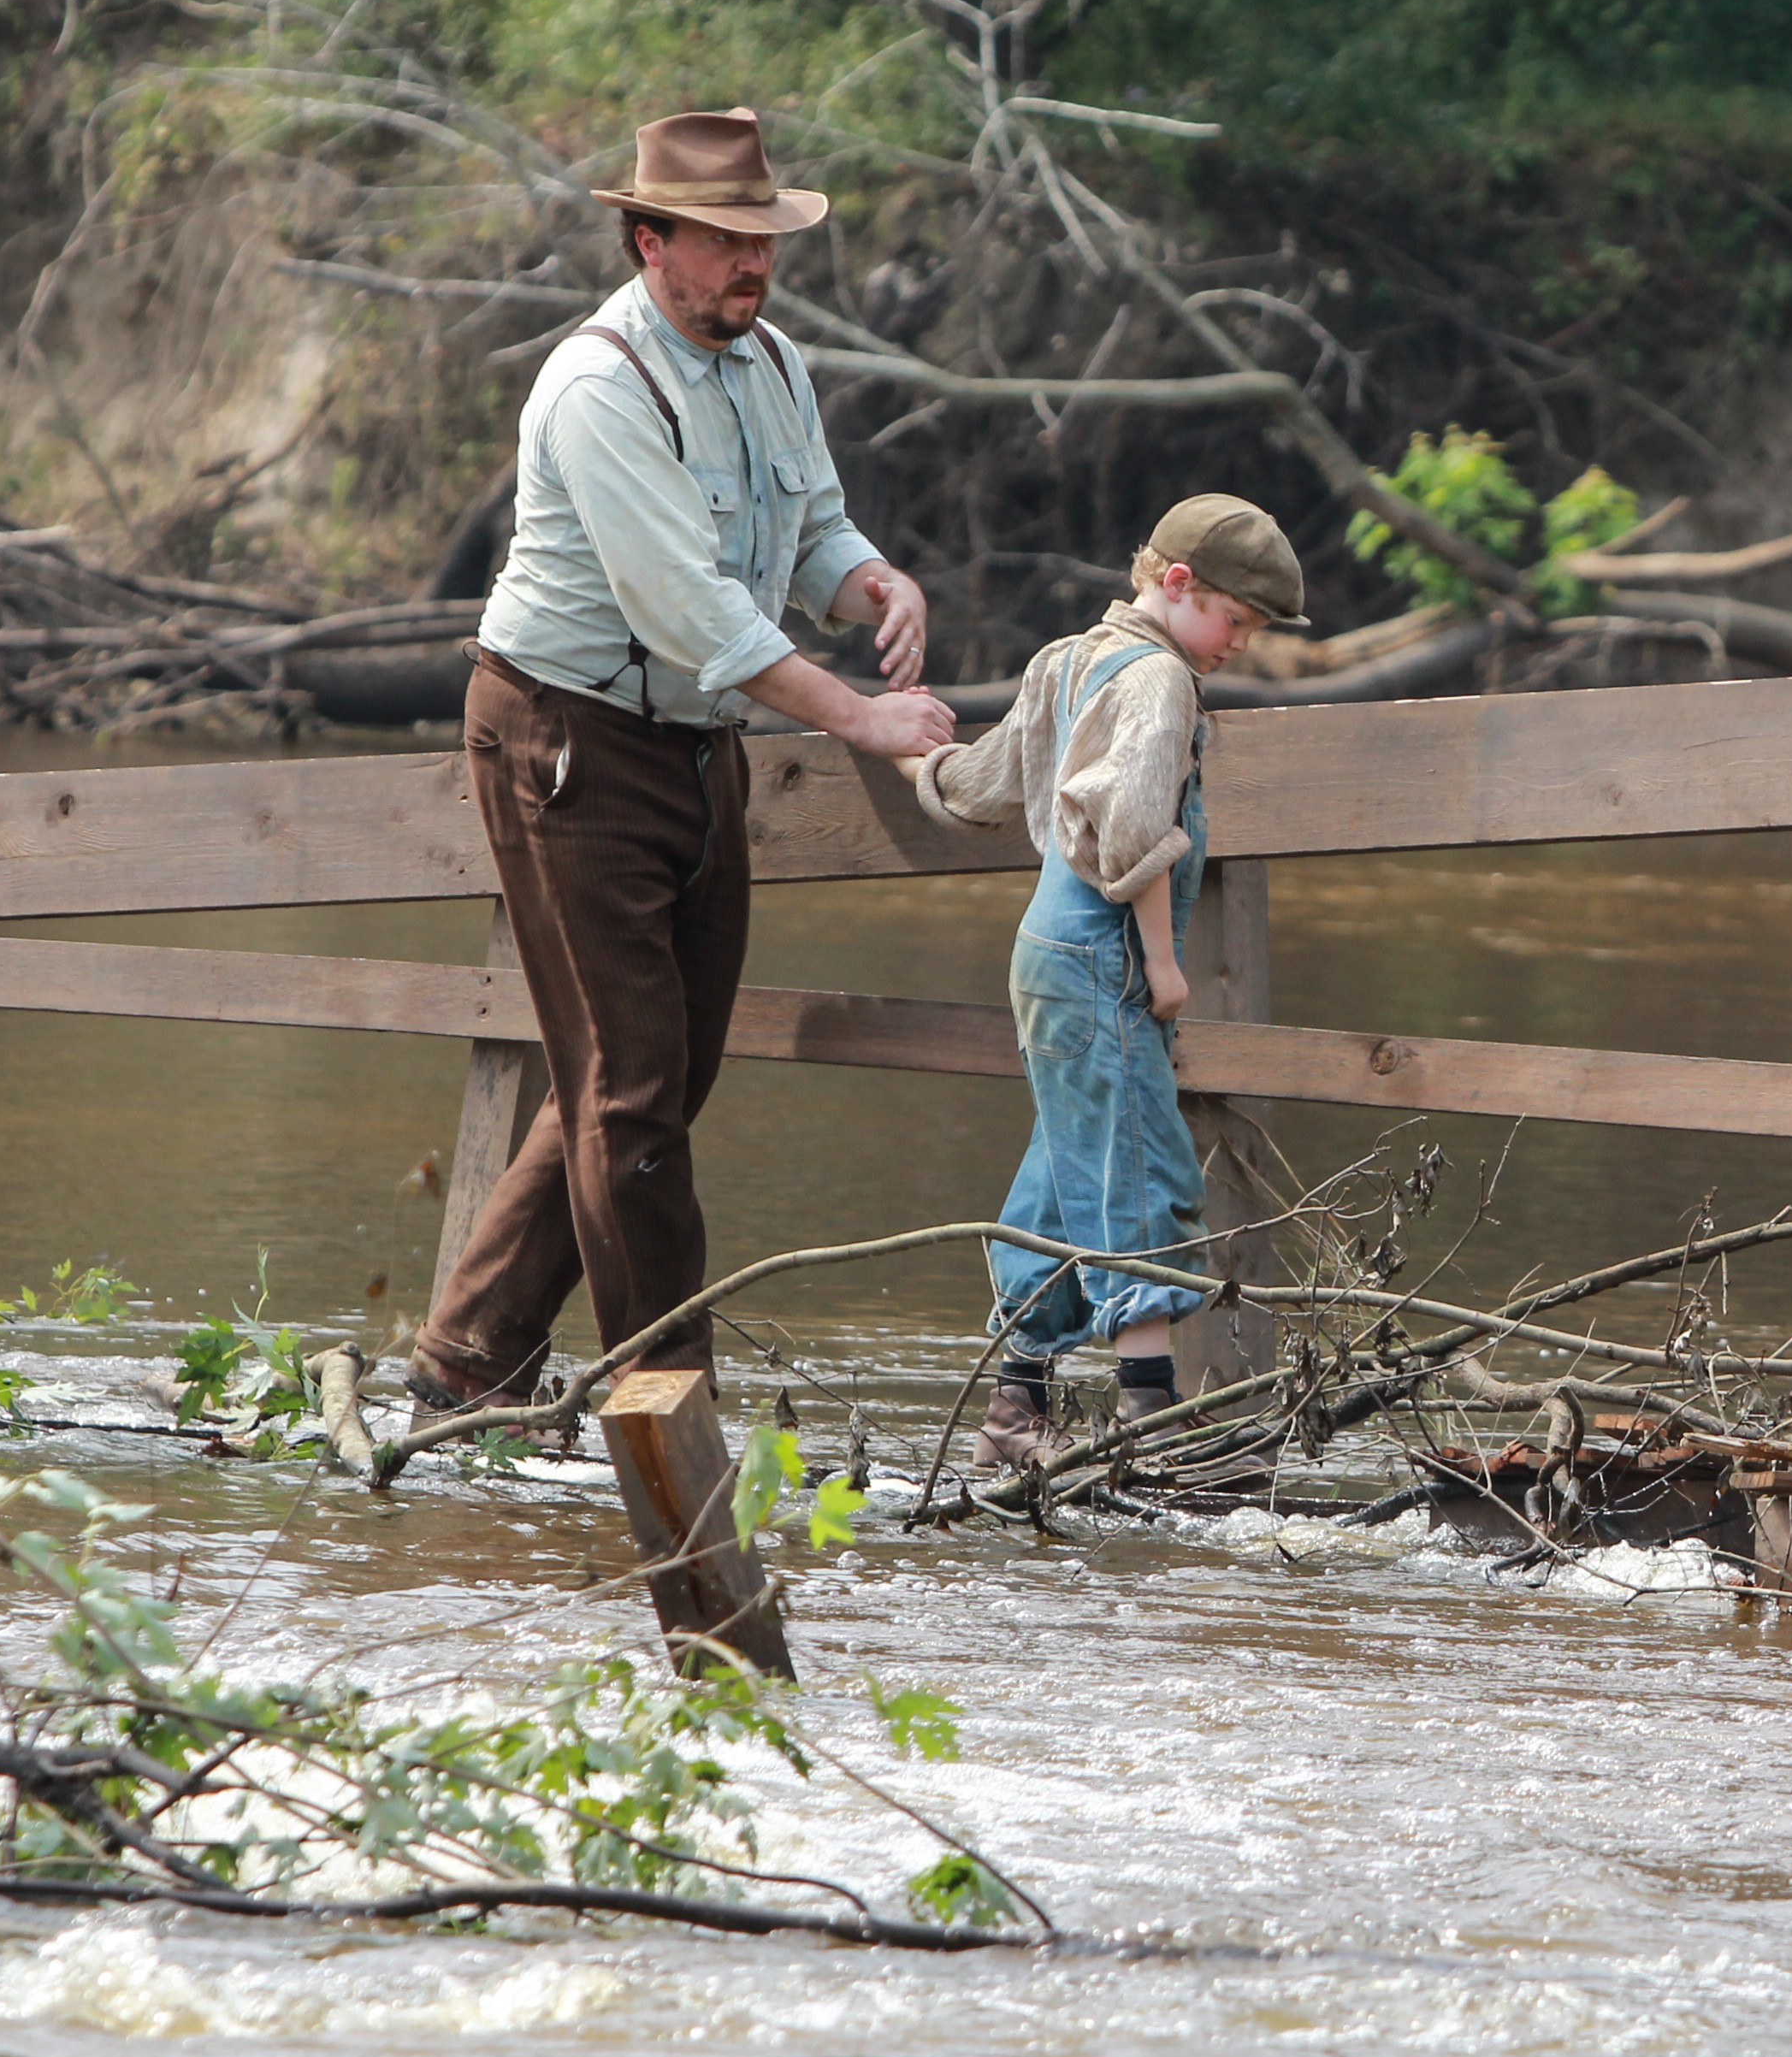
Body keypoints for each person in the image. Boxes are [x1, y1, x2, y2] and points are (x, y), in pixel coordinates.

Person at [400, 107, 956, 1416]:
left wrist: (871, 580)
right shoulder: (599, 387)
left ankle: (470, 1358)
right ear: (650, 242)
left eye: (762, 238)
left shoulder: (770, 362)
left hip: (695, 745)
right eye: (722, 241)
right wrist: (860, 717)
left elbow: (808, 526)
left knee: (662, 1071)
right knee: (632, 1087)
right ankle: (670, 1408)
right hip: (566, 738)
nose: (751, 265)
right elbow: (688, 612)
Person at [909, 495, 1306, 1470]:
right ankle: (1151, 1420)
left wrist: (915, 754)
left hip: (1043, 954)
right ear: (1178, 584)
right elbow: (1128, 834)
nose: (1240, 646)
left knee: (1064, 1174)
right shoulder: (1160, 683)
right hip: (1102, 953)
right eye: (1236, 622)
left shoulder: (1063, 660)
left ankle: (1016, 1410)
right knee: (1142, 1169)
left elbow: (985, 788)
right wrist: (1165, 965)